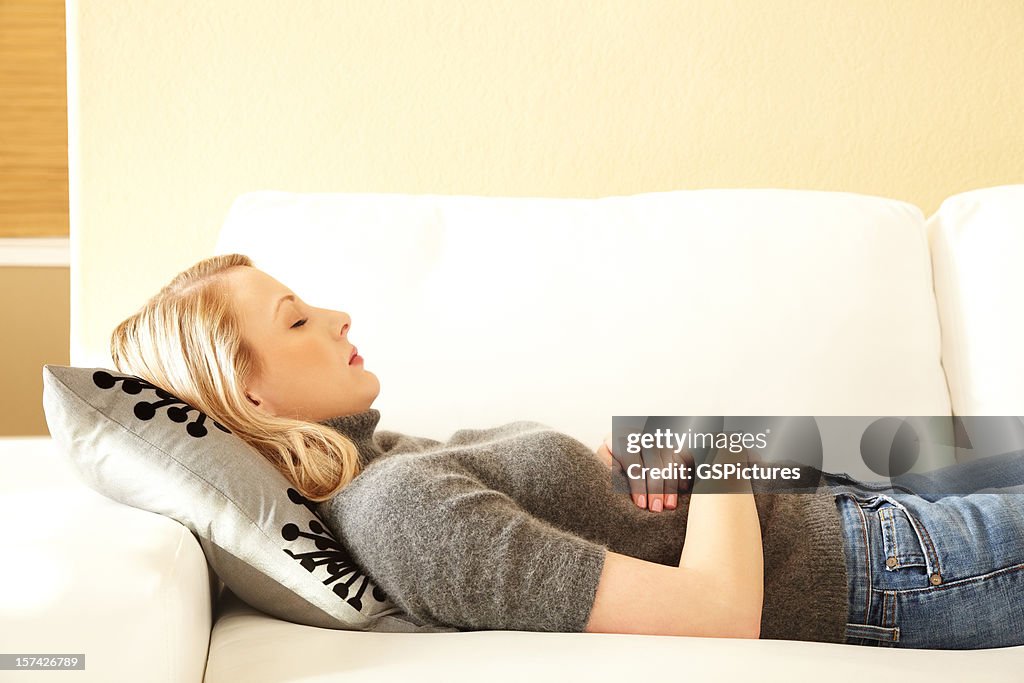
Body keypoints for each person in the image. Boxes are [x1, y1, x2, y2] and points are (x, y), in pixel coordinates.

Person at [109, 253, 1024, 649]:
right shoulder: (400, 514)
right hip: (883, 565)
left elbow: (585, 520)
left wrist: (645, 460)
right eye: (299, 318)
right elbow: (716, 613)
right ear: (249, 394)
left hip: (843, 498)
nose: (339, 314)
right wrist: (714, 462)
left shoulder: (386, 461)